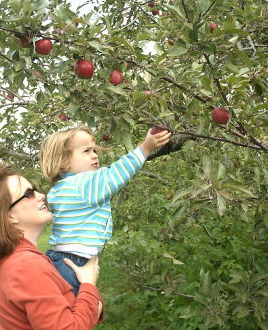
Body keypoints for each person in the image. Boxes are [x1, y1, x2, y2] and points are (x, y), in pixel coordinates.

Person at [0, 167, 104, 330]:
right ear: (9, 216)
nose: (41, 196)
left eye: (35, 190)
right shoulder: (26, 268)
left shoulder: (16, 262)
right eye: (28, 194)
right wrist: (88, 286)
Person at [39, 126, 171, 295]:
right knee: (77, 311)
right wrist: (145, 149)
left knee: (64, 309)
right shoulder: (83, 184)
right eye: (86, 151)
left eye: (94, 150)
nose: (94, 155)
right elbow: (115, 174)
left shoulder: (60, 188)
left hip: (62, 260)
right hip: (74, 263)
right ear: (63, 162)